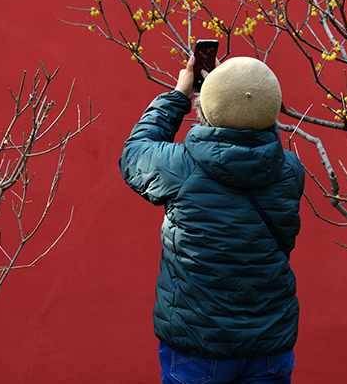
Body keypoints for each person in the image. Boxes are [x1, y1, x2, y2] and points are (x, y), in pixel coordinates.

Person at [121, 55, 304, 384]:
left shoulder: (180, 167)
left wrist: (179, 96)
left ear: (206, 107)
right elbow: (247, 126)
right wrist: (233, 90)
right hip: (269, 346)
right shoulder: (289, 171)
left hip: (198, 347)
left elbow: (135, 154)